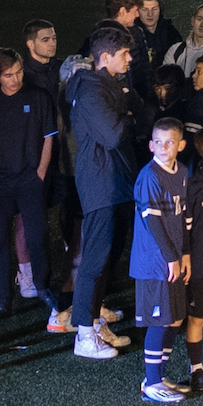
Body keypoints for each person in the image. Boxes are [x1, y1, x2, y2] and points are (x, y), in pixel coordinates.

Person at [67, 26, 140, 360]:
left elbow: (137, 112)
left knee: (109, 257)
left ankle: (94, 321)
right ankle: (83, 334)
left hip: (117, 180)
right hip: (101, 182)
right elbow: (112, 135)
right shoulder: (91, 90)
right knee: (95, 258)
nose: (130, 59)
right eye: (124, 53)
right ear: (105, 57)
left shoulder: (108, 84)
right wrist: (128, 116)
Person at [0, 48, 59, 323]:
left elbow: (48, 138)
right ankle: (2, 299)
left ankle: (43, 287)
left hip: (28, 180)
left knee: (37, 237)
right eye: (9, 75)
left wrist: (40, 174)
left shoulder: (38, 97)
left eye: (19, 72)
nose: (16, 79)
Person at [129, 120, 194, 403]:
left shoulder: (182, 172)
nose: (164, 147)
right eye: (158, 142)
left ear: (181, 145)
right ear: (150, 145)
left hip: (174, 259)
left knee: (175, 318)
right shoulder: (149, 176)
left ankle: (159, 375)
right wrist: (171, 258)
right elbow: (153, 224)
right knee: (160, 321)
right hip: (154, 263)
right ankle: (152, 383)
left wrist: (185, 254)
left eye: (170, 142)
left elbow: (184, 218)